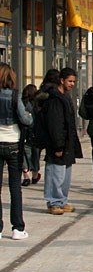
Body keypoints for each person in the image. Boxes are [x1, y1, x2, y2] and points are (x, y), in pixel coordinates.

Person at [42, 67, 82, 215]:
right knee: (55, 173)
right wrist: (58, 145)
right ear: (62, 80)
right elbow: (55, 124)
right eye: (70, 81)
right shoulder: (55, 100)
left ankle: (62, 200)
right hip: (58, 143)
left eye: (74, 81)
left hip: (67, 143)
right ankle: (54, 201)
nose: (72, 84)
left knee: (65, 175)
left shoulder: (64, 97)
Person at [0, 64, 33, 240]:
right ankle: (17, 228)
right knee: (15, 187)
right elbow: (25, 119)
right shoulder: (15, 96)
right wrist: (29, 116)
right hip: (13, 143)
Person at [20, 83, 40, 187]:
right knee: (35, 155)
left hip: (24, 133)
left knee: (25, 155)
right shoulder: (37, 104)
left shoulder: (22, 104)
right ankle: (35, 176)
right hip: (36, 134)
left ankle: (26, 176)